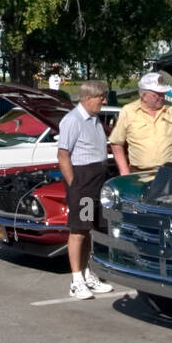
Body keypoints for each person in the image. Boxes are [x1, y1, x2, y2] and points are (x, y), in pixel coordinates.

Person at [56, 80, 119, 299]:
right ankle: (76, 281)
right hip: (83, 180)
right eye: (101, 97)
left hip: (98, 178)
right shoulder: (73, 120)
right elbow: (63, 155)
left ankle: (88, 274)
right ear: (88, 98)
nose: (104, 101)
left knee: (91, 228)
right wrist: (74, 185)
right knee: (78, 230)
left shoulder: (94, 120)